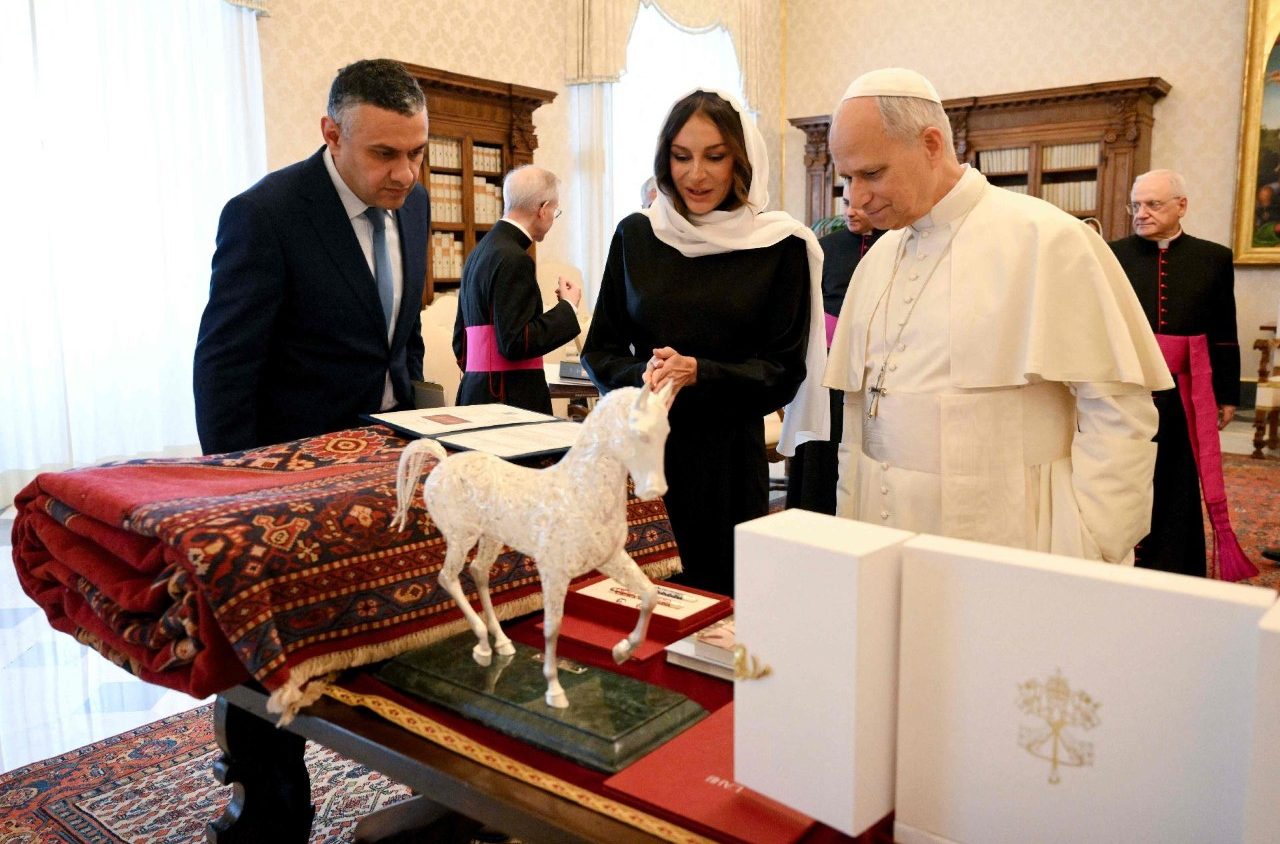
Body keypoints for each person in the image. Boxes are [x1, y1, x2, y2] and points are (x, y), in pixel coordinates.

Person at [825, 68, 1172, 565]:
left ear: (930, 144)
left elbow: (1119, 411)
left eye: (872, 174)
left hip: (1016, 534)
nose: (855, 198)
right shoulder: (878, 258)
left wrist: (1094, 543)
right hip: (883, 532)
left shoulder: (1047, 238)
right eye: (847, 178)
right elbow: (859, 412)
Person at [582, 89, 827, 597]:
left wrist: (700, 372)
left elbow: (782, 370)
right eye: (681, 156)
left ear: (742, 159)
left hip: (727, 464)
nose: (696, 174)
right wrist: (646, 374)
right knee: (633, 604)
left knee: (717, 608)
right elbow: (600, 351)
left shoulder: (779, 246)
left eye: (714, 156)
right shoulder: (637, 235)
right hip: (641, 456)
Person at [194, 59, 430, 454]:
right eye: (384, 153)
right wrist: (236, 473)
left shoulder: (415, 203)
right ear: (333, 135)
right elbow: (225, 367)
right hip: (302, 455)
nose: (405, 174)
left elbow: (406, 334)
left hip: (398, 446)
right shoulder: (265, 214)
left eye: (416, 153)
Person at [1109, 169, 1249, 578]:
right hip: (1129, 387)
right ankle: (1122, 557)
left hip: (1186, 391)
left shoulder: (1213, 258)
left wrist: (1227, 394)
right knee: (1126, 471)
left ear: (1181, 206)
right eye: (1136, 205)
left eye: (1153, 204)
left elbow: (1224, 331)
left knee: (1178, 477)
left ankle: (1175, 564)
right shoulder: (1112, 255)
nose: (1142, 213)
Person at [786, 183, 884, 513]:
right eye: (845, 203)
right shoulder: (825, 247)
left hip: (874, 363)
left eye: (858, 205)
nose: (850, 212)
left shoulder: (893, 245)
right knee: (823, 447)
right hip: (826, 363)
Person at [452, 165, 581, 413]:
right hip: (509, 400)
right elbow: (516, 342)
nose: (553, 217)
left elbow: (460, 341)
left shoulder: (479, 252)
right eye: (555, 211)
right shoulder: (515, 258)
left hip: (475, 392)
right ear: (543, 209)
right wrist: (568, 308)